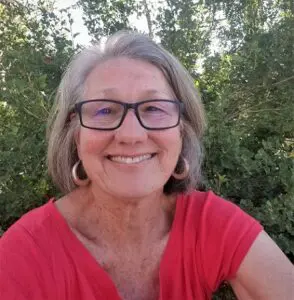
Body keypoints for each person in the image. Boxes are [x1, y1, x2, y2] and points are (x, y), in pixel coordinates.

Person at [0, 31, 293, 300]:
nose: (131, 135)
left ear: (182, 129)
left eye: (153, 108)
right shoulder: (25, 254)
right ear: (75, 133)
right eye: (104, 109)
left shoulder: (209, 224)